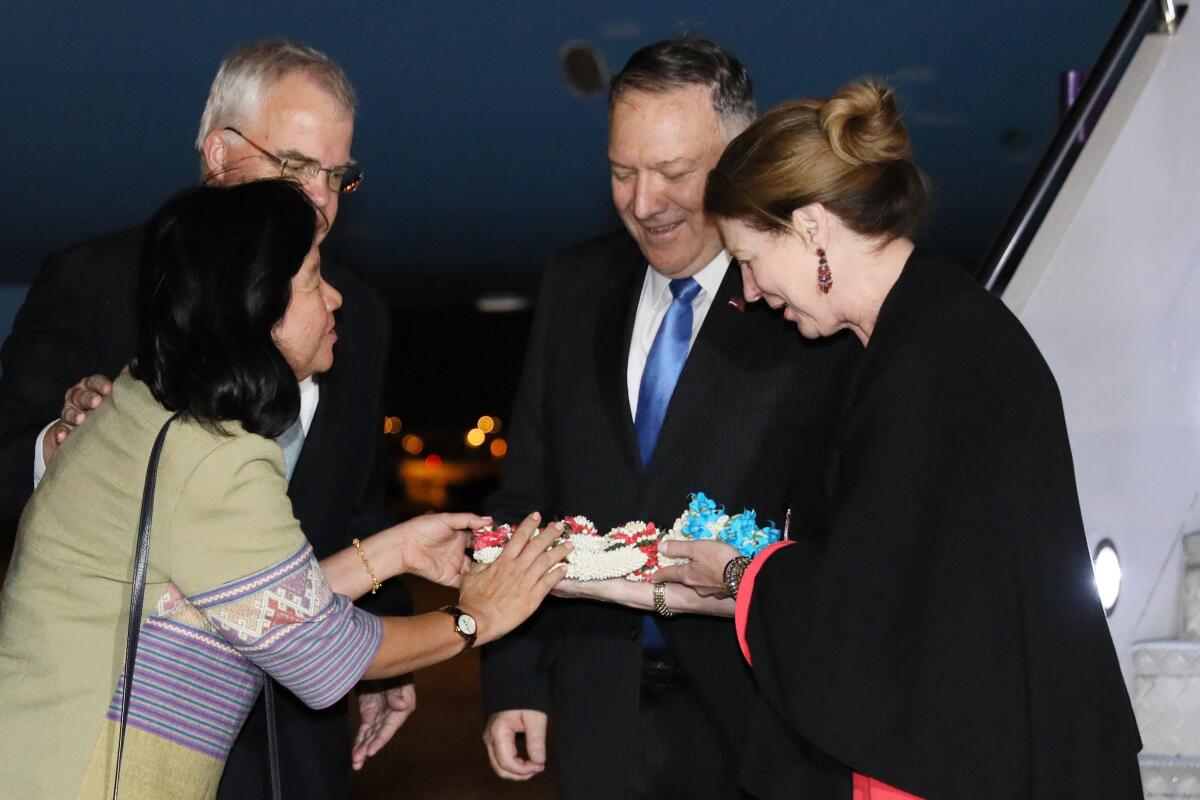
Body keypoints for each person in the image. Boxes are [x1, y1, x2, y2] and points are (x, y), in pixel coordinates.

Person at [643, 82, 1144, 798]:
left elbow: (868, 619)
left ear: (812, 227)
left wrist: (737, 575)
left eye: (749, 258)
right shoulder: (916, 333)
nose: (748, 292)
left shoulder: (930, 361)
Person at [0, 180, 572, 800]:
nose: (334, 297)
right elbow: (327, 660)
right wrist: (475, 617)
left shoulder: (153, 406)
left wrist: (393, 552)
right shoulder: (216, 458)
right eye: (311, 278)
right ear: (257, 305)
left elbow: (254, 603)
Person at [0, 40, 407, 798]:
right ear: (220, 154)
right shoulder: (96, 283)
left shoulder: (355, 314)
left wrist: (385, 658)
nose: (319, 200)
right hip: (115, 744)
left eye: (337, 175)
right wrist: (61, 446)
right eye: (296, 167)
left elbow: (356, 505)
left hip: (294, 736)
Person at [479, 38, 858, 799]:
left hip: (757, 729)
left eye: (675, 173)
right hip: (596, 716)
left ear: (740, 159)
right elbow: (525, 496)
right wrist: (512, 674)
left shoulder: (807, 310)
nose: (644, 202)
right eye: (623, 172)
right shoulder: (574, 286)